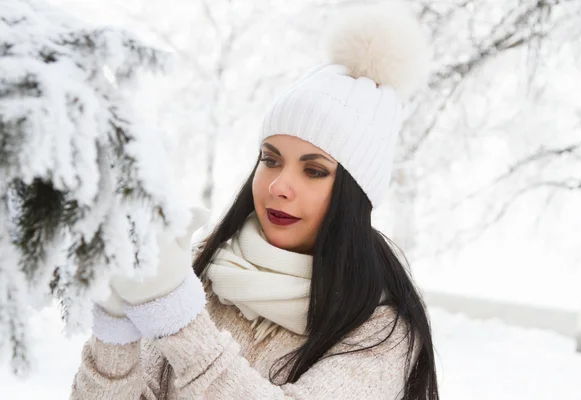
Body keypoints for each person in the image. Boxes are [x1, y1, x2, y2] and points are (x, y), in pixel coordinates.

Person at [71, 4, 438, 400]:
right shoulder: (200, 273)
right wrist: (114, 330)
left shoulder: (378, 329)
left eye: (314, 171)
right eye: (271, 159)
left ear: (355, 195)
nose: (279, 185)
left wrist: (179, 320)